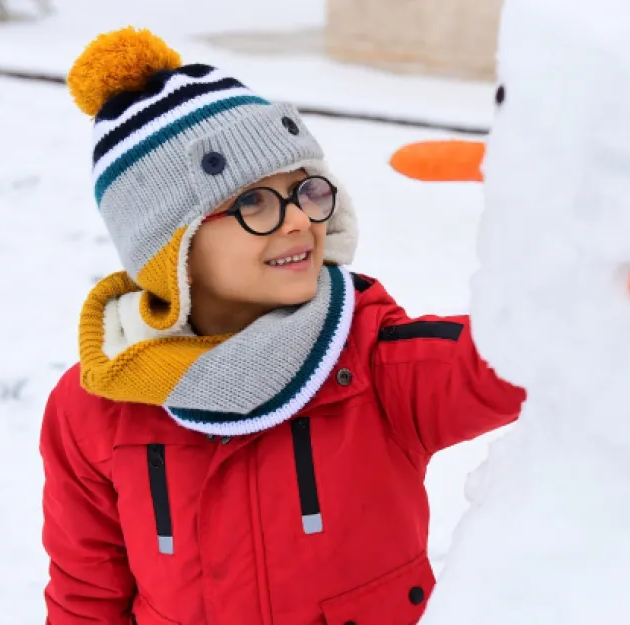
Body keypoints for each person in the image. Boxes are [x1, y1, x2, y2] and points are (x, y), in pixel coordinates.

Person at [40, 27, 526, 625]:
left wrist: (585, 224)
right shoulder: (95, 407)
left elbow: (525, 353)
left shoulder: (372, 364)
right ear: (172, 249)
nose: (297, 219)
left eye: (304, 190)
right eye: (253, 203)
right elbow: (86, 594)